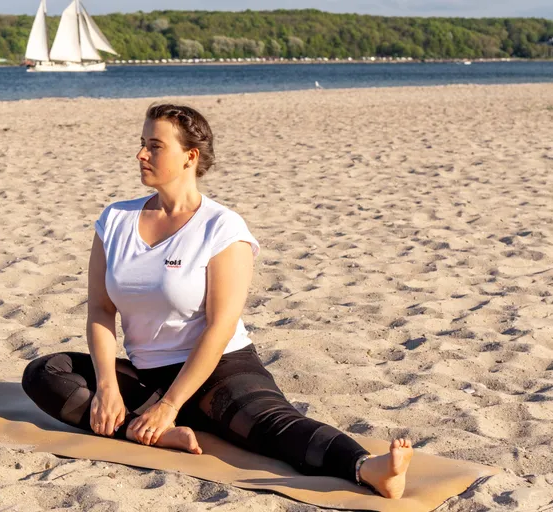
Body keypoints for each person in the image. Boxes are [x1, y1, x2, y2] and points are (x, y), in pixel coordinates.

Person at [21, 104, 413, 499]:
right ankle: (157, 434)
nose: (141, 155)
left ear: (190, 156)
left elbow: (220, 325)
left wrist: (170, 405)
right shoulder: (115, 220)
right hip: (148, 375)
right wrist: (108, 387)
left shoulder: (222, 228)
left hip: (218, 369)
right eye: (142, 144)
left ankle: (368, 468)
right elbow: (101, 311)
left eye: (154, 146)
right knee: (44, 374)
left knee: (270, 425)